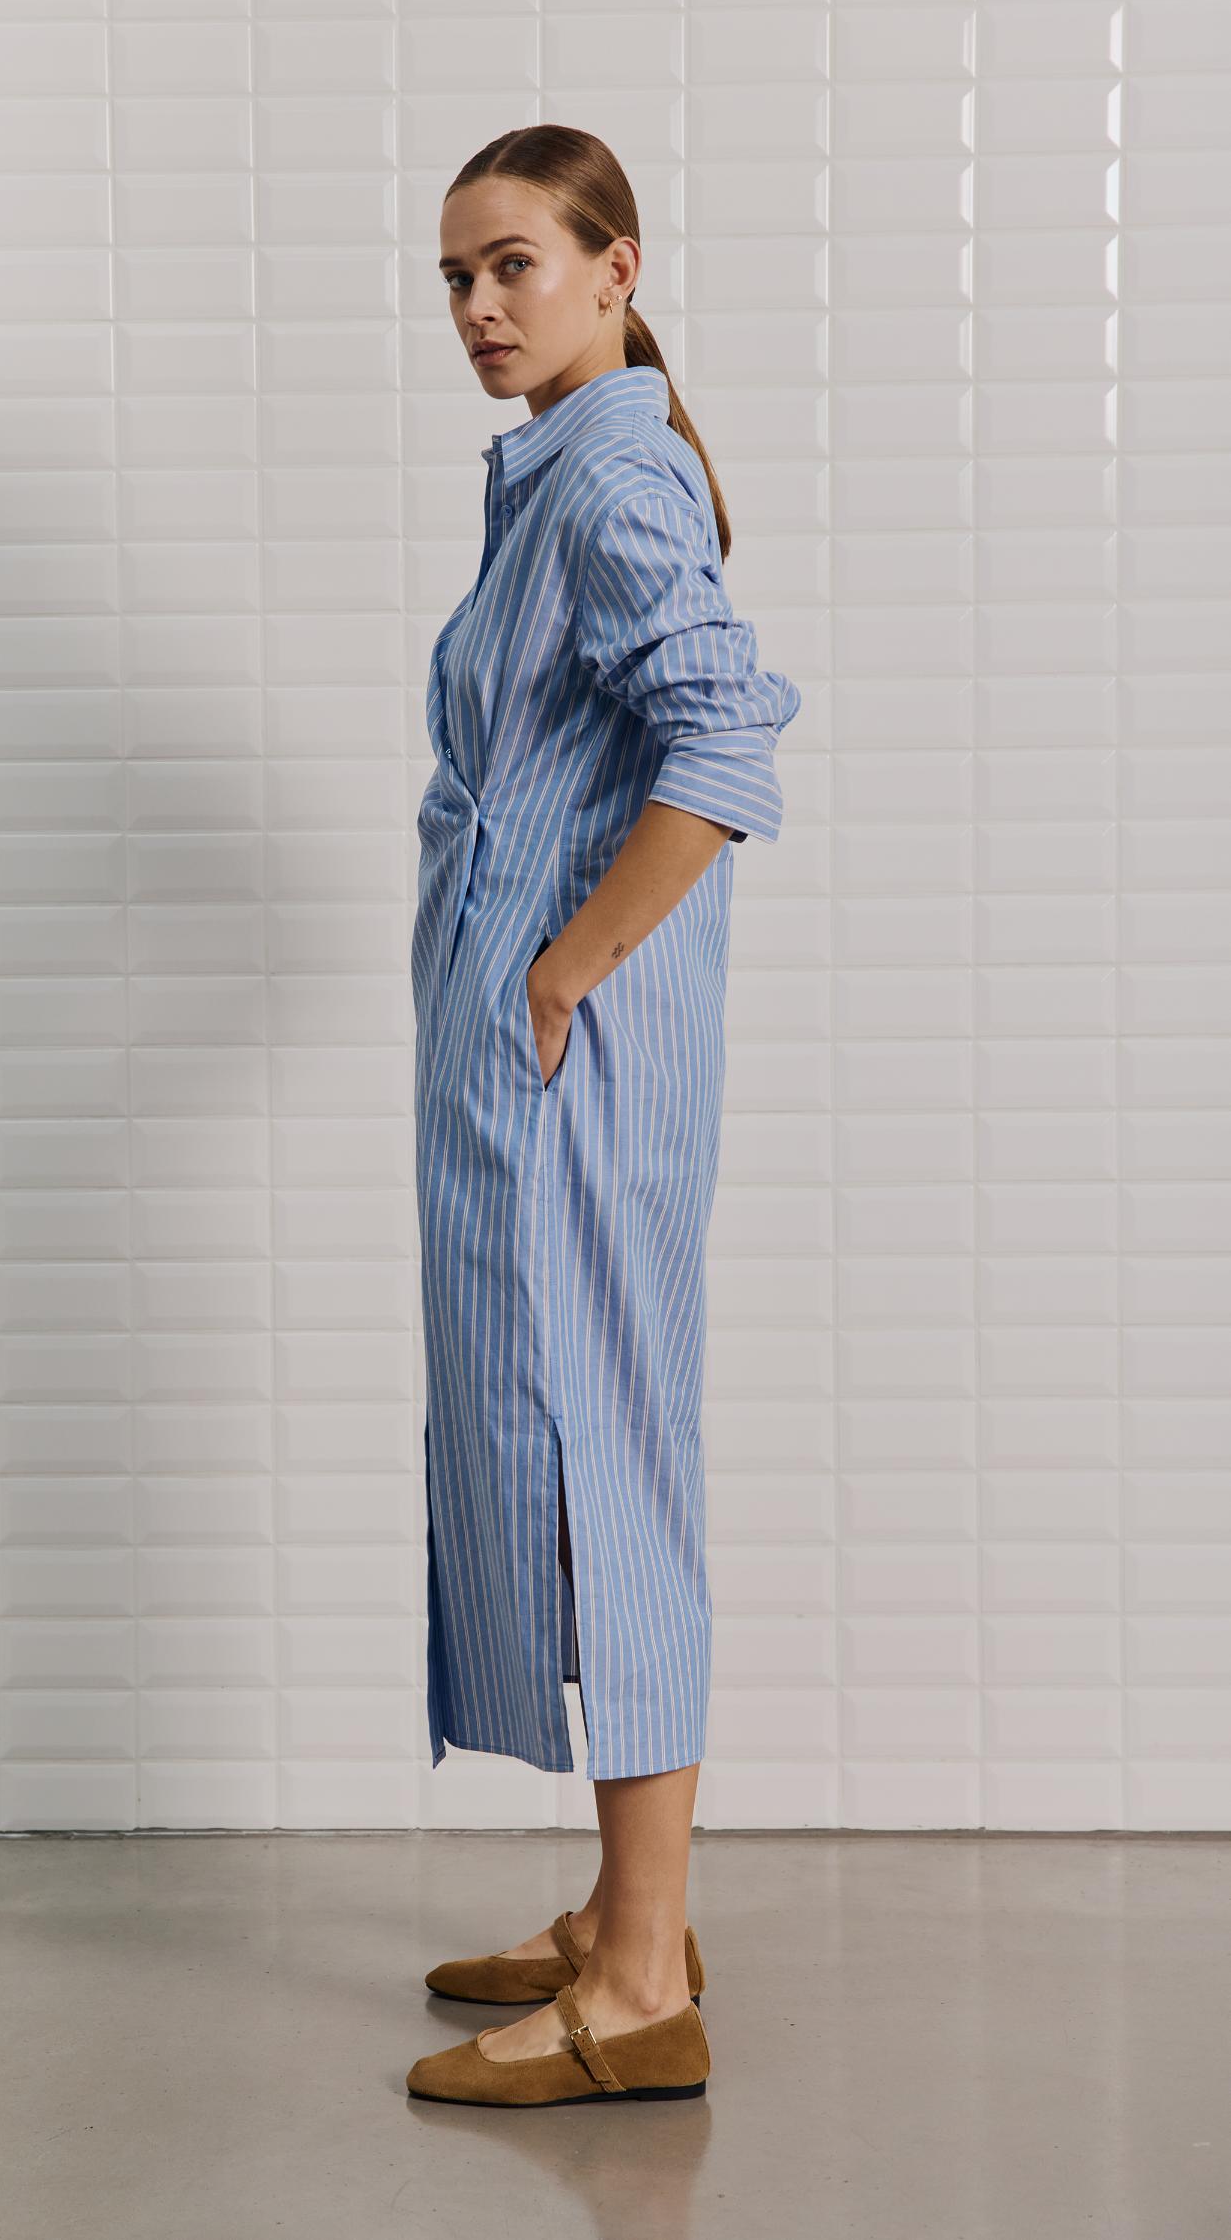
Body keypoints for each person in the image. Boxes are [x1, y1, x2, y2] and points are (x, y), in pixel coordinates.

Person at [405, 126, 803, 2109]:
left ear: (615, 266)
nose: (480, 307)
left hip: (581, 1071)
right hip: (531, 1074)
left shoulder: (618, 473)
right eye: (456, 279)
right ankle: (624, 1910)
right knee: (556, 1449)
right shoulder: (556, 467)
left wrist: (563, 969)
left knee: (606, 1463)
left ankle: (642, 1987)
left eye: (515, 265)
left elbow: (721, 742)